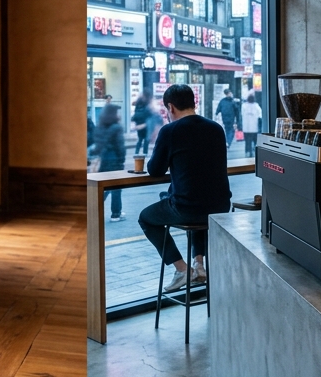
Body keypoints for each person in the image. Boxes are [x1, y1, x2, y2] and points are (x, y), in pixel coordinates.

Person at [138, 84, 232, 291]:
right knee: (197, 203)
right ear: (194, 102)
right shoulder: (216, 128)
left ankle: (182, 269)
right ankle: (200, 265)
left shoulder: (170, 131)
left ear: (170, 108)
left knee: (146, 218)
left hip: (188, 208)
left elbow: (155, 169)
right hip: (220, 206)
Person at [91, 103, 127, 221]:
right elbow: (120, 147)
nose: (119, 115)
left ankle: (92, 209)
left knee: (104, 187)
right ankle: (116, 214)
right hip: (114, 160)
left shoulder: (99, 127)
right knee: (116, 187)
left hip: (103, 160)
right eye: (118, 112)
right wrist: (122, 160)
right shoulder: (117, 128)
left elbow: (97, 146)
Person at [131, 91, 152, 156]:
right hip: (145, 124)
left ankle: (136, 152)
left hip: (138, 124)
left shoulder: (137, 105)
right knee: (146, 139)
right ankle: (145, 152)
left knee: (140, 139)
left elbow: (135, 114)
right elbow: (149, 114)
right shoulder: (147, 105)